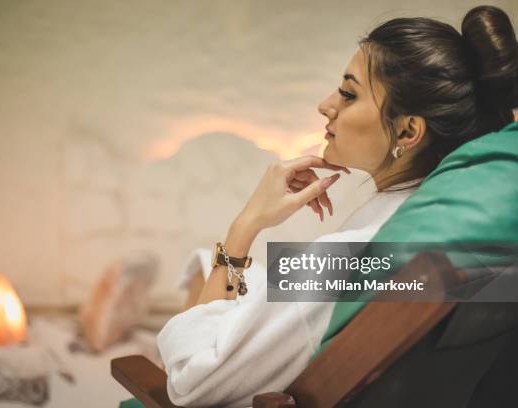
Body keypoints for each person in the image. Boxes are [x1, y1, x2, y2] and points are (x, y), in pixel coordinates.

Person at [155, 5, 517, 407]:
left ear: (408, 130)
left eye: (348, 93)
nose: (326, 105)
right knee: (214, 265)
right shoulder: (446, 228)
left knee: (213, 265)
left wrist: (244, 228)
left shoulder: (341, 260)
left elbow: (191, 383)